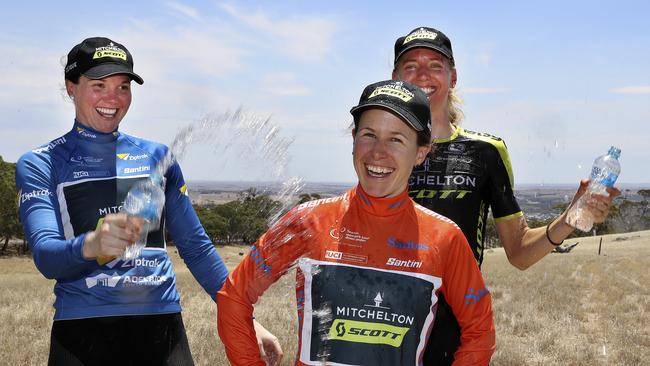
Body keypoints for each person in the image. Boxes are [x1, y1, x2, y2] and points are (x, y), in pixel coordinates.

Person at [16, 36, 281, 366]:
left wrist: (243, 318)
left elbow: (196, 247)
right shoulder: (42, 163)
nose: (113, 97)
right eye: (99, 85)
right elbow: (45, 256)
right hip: (82, 331)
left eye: (123, 86)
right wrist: (92, 245)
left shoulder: (157, 157)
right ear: (71, 87)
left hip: (162, 327)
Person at [217, 80, 496, 365]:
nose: (378, 152)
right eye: (369, 135)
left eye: (396, 139)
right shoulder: (308, 222)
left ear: (421, 152)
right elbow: (234, 297)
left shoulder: (445, 238)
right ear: (353, 140)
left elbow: (480, 330)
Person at [391, 26, 621, 365]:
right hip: (380, 319)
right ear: (395, 77)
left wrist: (572, 217)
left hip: (457, 331)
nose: (423, 74)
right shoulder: (382, 148)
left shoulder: (486, 151)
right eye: (411, 66)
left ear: (453, 77)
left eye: (435, 65)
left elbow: (520, 253)